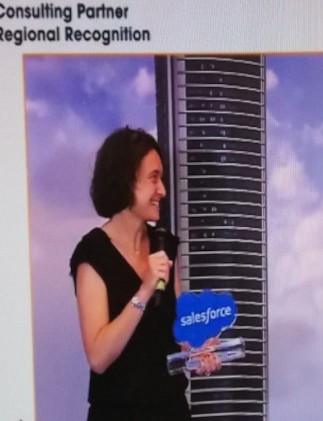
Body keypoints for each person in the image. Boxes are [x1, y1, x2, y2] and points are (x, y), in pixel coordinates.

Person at [70, 127, 219, 421]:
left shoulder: (166, 244)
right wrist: (145, 290)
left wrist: (198, 351)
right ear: (126, 181)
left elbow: (177, 330)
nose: (162, 190)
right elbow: (98, 357)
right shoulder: (92, 254)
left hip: (171, 410)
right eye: (153, 178)